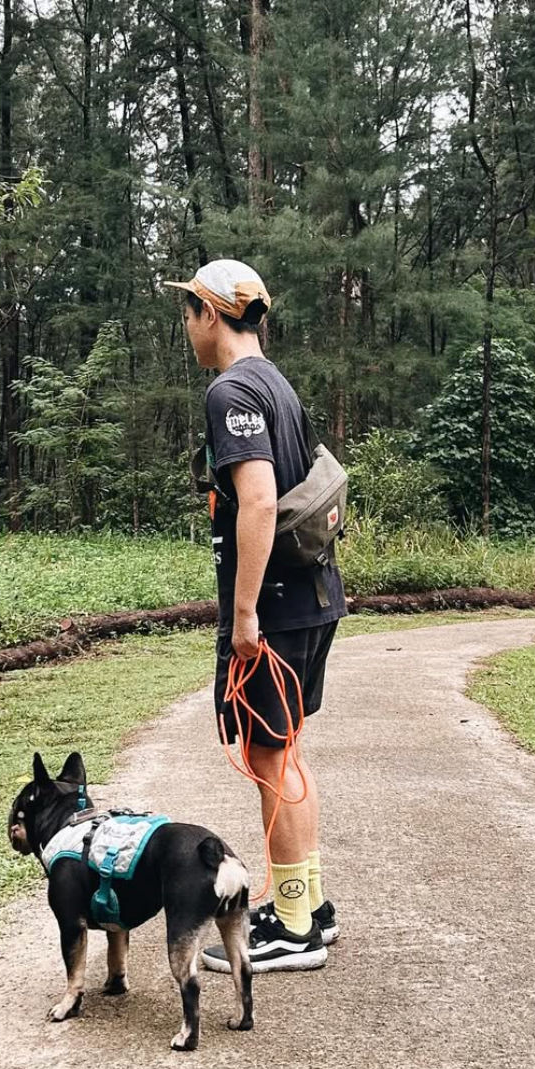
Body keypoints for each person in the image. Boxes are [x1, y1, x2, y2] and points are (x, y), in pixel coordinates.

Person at [165, 258, 347, 972]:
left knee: (273, 757)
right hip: (310, 598)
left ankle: (295, 929)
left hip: (274, 607)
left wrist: (243, 615)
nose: (186, 326)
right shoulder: (275, 381)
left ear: (211, 314)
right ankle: (308, 905)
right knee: (286, 753)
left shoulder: (231, 388)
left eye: (188, 312)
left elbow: (262, 499)